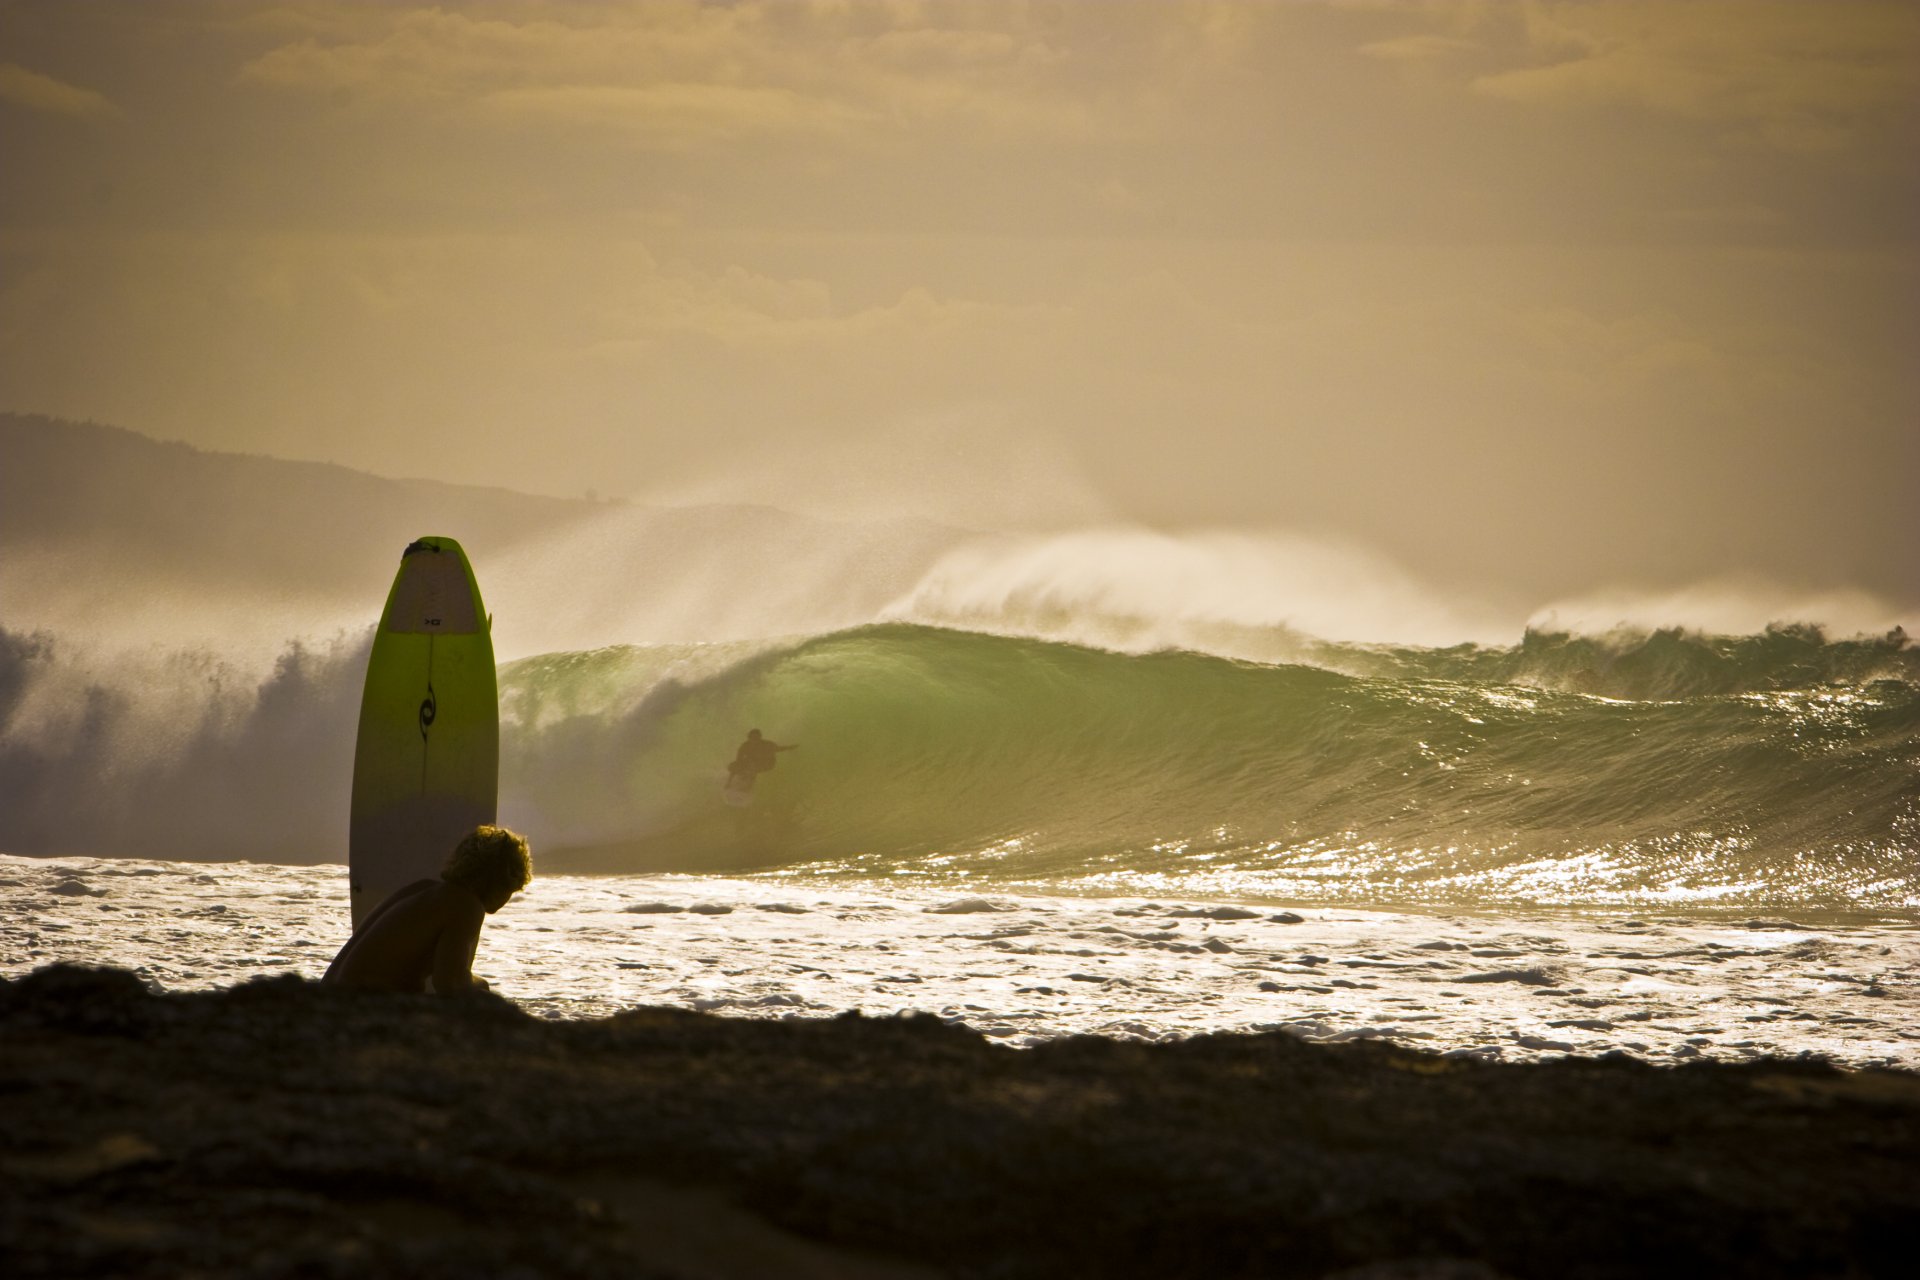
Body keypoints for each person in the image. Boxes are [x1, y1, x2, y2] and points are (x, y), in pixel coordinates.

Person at [324, 825, 532, 995]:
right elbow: (450, 984)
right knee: (485, 1004)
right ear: (502, 881)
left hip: (324, 1005)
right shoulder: (466, 905)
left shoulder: (423, 889)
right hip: (355, 1016)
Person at [726, 728, 798, 790]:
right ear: (749, 738)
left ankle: (748, 787)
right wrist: (730, 780)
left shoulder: (767, 745)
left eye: (756, 738)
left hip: (768, 763)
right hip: (753, 762)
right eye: (752, 738)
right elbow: (738, 760)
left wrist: (790, 747)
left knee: (752, 767)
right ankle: (731, 782)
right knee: (733, 766)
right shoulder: (745, 745)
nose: (754, 740)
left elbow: (779, 749)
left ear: (760, 738)